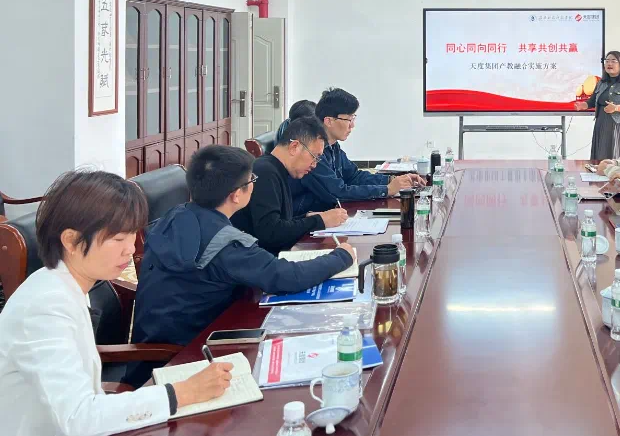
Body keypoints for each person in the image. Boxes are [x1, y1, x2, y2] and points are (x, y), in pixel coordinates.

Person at [0, 170, 233, 436]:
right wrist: (182, 393)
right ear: (71, 240)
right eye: (118, 239)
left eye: (133, 234)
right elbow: (79, 419)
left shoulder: (66, 284)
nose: (130, 249)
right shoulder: (43, 309)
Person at [133, 145, 357, 349]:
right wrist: (341, 256)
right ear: (236, 195)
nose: (254, 185)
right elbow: (287, 277)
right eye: (252, 180)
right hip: (190, 352)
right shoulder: (225, 243)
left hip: (157, 342)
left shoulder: (174, 216)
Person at [294, 88, 424, 213]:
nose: (352, 125)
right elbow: (337, 193)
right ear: (329, 121)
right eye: (349, 119)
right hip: (311, 221)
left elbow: (354, 176)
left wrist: (393, 180)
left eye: (353, 118)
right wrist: (387, 190)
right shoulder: (312, 151)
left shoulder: (333, 147)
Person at [231, 116, 347, 254]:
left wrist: (307, 217)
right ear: (294, 147)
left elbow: (279, 223)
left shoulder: (276, 168)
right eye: (314, 156)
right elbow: (270, 233)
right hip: (256, 258)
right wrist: (319, 220)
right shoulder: (265, 172)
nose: (314, 165)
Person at [574, 50, 620, 160]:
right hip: (601, 123)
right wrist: (583, 105)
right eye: (607, 61)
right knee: (601, 158)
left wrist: (616, 108)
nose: (609, 64)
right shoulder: (601, 82)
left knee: (618, 158)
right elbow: (592, 101)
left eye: (613, 61)